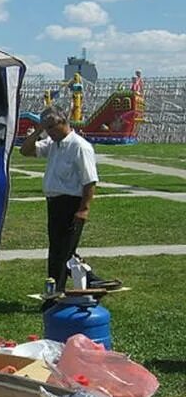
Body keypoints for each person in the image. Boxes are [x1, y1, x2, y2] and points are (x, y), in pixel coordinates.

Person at [19, 107, 120, 296]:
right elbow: (25, 151)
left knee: (61, 253)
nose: (49, 132)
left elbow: (90, 181)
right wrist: (39, 131)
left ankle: (55, 291)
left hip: (71, 203)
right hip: (54, 203)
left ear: (63, 122)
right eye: (46, 128)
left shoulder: (79, 146)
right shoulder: (53, 144)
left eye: (51, 127)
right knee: (63, 249)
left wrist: (84, 210)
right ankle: (90, 279)